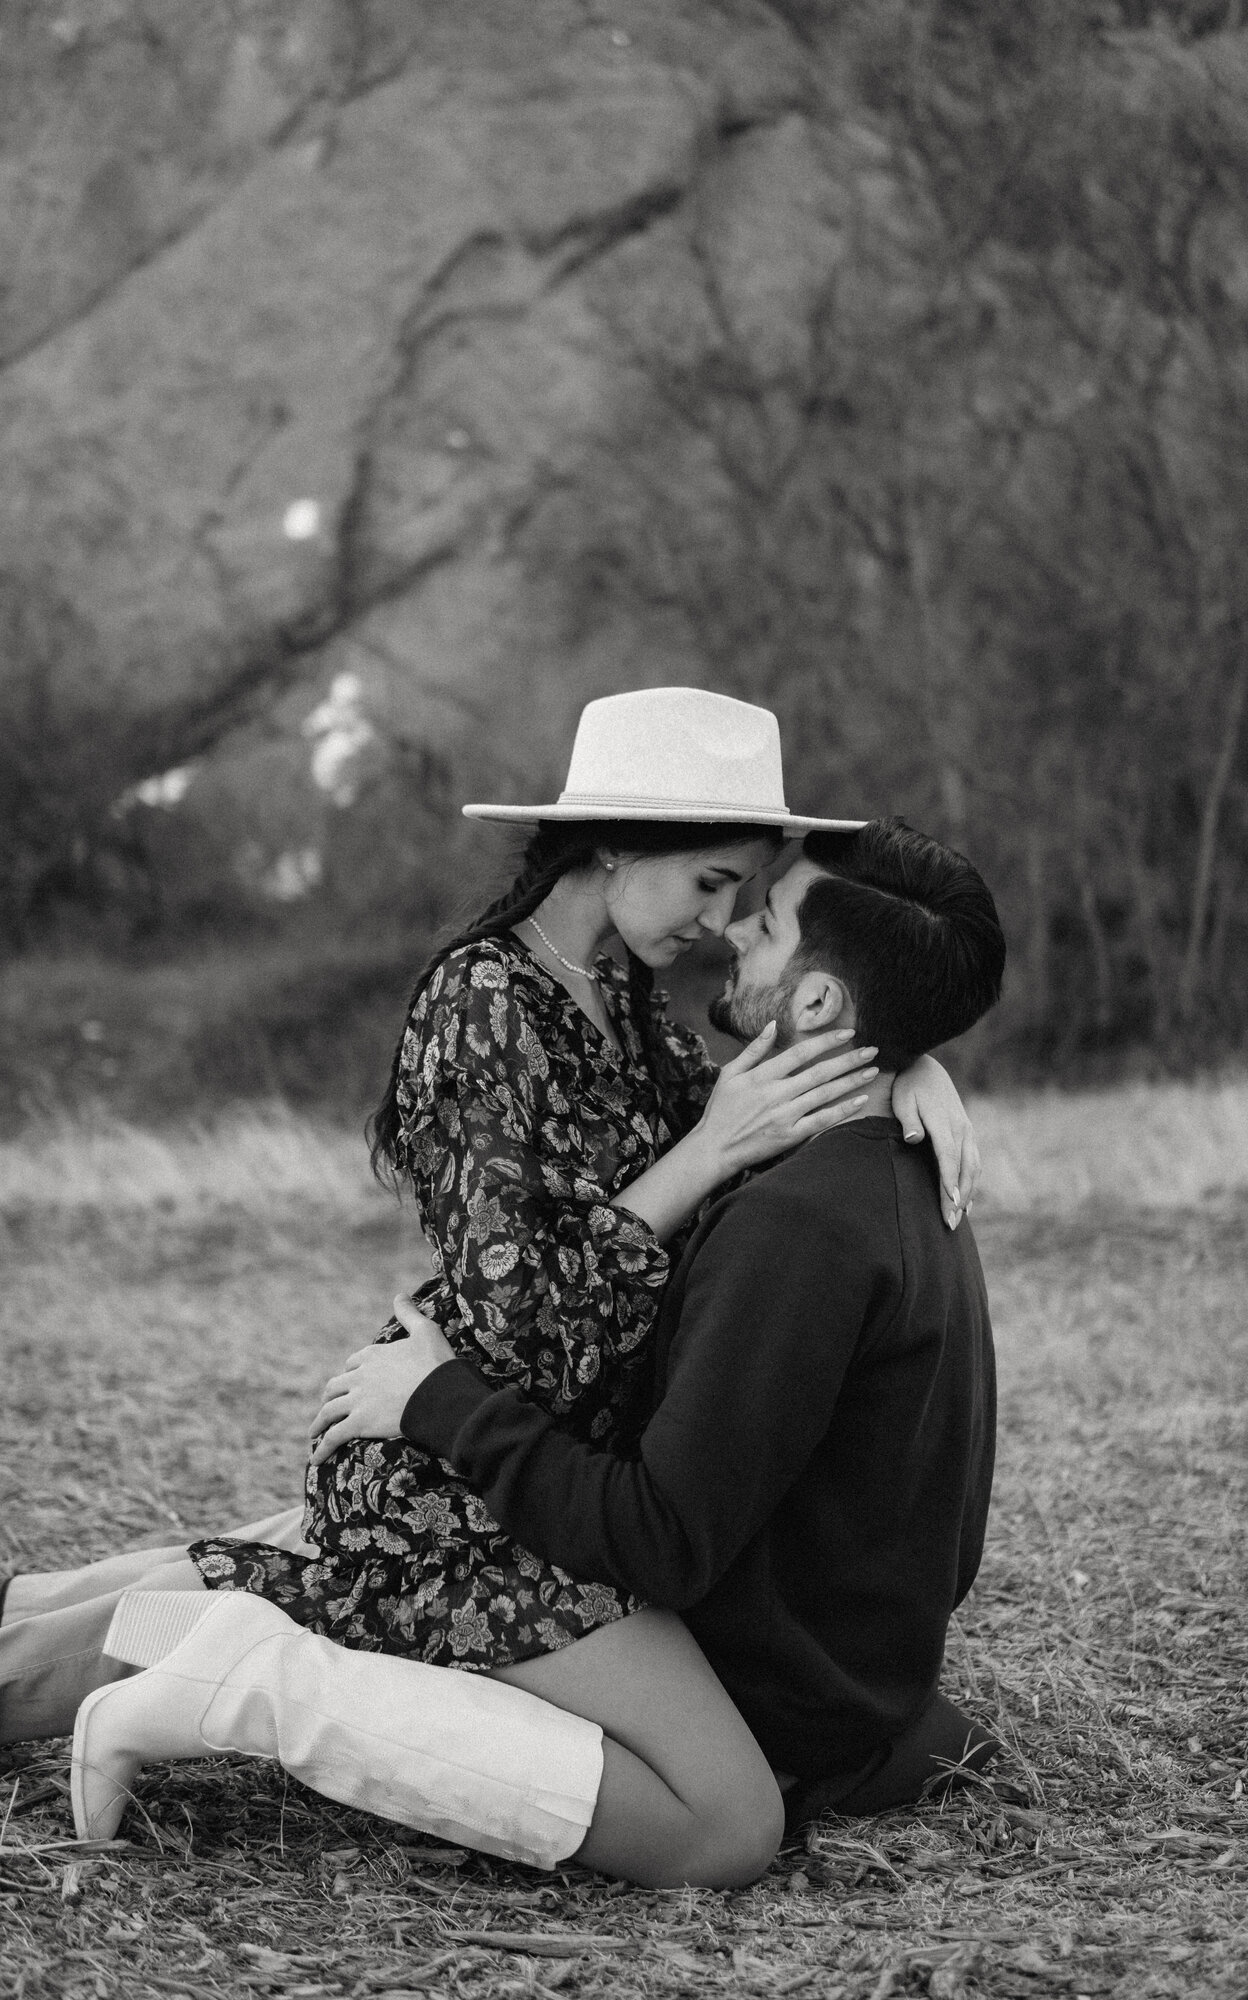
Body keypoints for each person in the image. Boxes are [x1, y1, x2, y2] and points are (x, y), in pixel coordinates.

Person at [1, 693, 978, 1879]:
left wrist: (908, 1054)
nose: (723, 924)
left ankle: (19, 1610)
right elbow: (529, 1321)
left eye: (744, 897)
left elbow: (796, 1064)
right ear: (616, 843)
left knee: (257, 1570)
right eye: (713, 883)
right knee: (271, 1601)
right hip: (459, 1437)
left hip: (524, 1455)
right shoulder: (483, 1006)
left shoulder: (617, 992)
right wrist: (704, 1155)